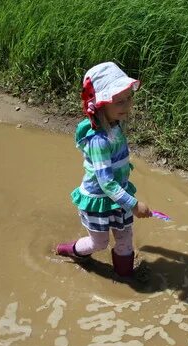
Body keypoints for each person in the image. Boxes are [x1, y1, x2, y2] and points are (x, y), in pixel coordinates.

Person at [56, 61, 152, 277]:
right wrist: (134, 204)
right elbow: (106, 182)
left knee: (125, 239)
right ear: (101, 105)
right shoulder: (98, 141)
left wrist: (128, 200)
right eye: (119, 101)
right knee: (98, 243)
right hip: (98, 199)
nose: (127, 105)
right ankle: (70, 251)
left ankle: (127, 279)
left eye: (129, 98)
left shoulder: (117, 124)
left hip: (119, 195)